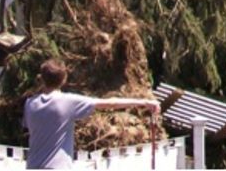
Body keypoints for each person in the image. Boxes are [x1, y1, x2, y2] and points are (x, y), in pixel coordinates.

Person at [23, 59, 160, 169]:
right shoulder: (67, 102)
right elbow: (110, 103)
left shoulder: (30, 104)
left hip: (33, 166)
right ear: (64, 79)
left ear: (42, 78)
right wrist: (145, 102)